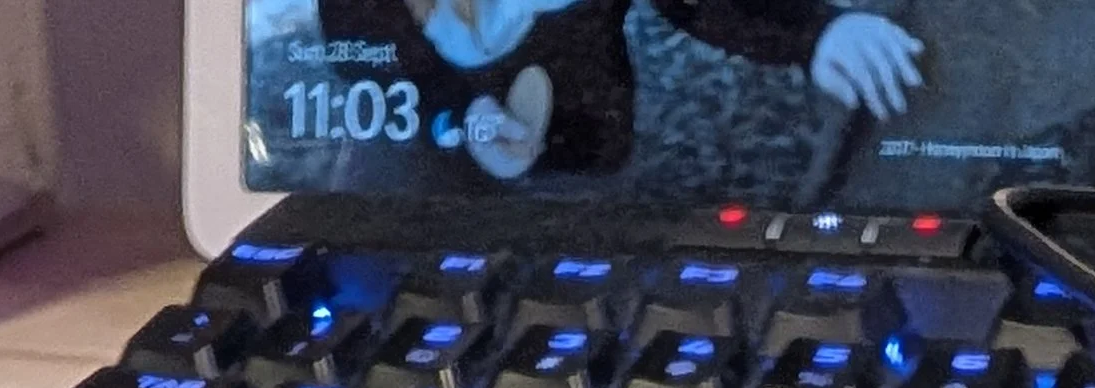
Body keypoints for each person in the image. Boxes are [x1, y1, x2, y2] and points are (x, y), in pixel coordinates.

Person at [310, 0, 924, 181]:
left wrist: (815, 33)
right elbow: (361, 44)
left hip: (581, 167)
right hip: (418, 158)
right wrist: (456, 114)